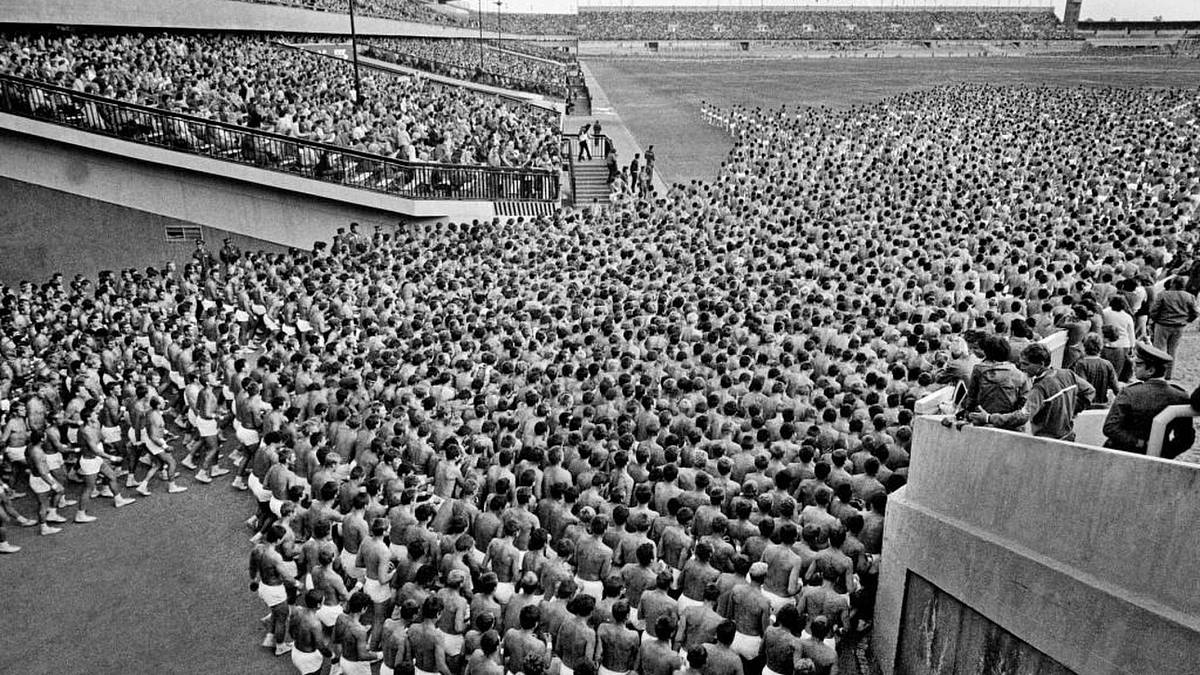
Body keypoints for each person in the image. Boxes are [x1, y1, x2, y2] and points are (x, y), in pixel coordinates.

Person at [1102, 343, 1193, 455]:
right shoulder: (1180, 396)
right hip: (1158, 457)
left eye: (1139, 365)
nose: (1133, 367)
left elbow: (1110, 428)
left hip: (1123, 454)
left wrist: (1140, 443)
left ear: (1151, 370)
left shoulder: (1129, 393)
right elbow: (1186, 438)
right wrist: (1164, 453)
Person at [1013, 343, 1095, 441]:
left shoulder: (1040, 388)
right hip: (1068, 436)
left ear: (1041, 364)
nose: (1022, 367)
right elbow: (1089, 391)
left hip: (1047, 442)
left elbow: (1023, 416)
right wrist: (1071, 410)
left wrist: (991, 418)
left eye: (1026, 364)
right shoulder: (1067, 374)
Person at [962, 334, 1032, 431]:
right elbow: (1023, 403)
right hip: (1009, 424)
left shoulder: (979, 369)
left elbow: (971, 398)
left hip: (983, 421)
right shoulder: (1020, 374)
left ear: (987, 352)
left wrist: (968, 414)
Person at [1148, 277, 1198, 378]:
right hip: (1179, 326)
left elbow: (1154, 310)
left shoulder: (1163, 295)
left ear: (1173, 284)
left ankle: (1158, 373)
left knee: (1159, 349)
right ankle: (1168, 374)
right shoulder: (1189, 296)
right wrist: (1187, 320)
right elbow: (1195, 313)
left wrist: (1155, 319)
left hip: (1163, 324)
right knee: (1173, 350)